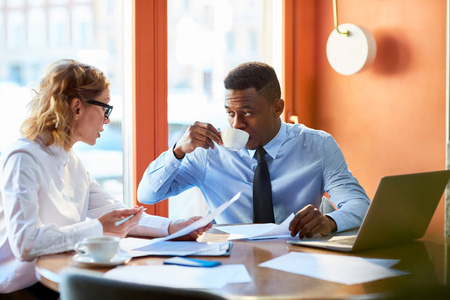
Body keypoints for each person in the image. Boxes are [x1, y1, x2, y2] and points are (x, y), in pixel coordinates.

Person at [0, 59, 211, 297]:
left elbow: (116, 213)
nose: (107, 120)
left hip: (62, 274)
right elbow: (26, 244)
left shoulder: (73, 162)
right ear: (77, 107)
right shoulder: (23, 157)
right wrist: (99, 228)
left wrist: (172, 227)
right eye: (105, 108)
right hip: (23, 287)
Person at [138, 61, 370, 239]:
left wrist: (330, 221)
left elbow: (360, 205)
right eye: (230, 112)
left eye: (247, 112)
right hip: (229, 259)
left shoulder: (317, 146)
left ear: (277, 108)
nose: (237, 124)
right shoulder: (209, 150)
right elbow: (148, 195)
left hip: (298, 257)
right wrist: (178, 151)